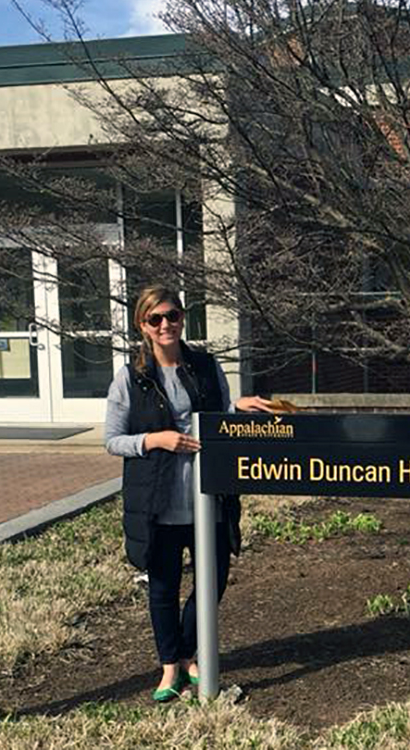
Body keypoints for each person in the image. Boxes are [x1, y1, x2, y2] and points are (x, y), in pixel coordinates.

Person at [105, 284, 275, 702]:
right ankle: (170, 669)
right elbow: (113, 440)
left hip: (209, 498)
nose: (166, 325)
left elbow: (218, 416)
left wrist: (240, 408)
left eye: (173, 316)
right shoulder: (131, 378)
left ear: (183, 319)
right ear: (142, 325)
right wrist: (154, 440)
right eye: (155, 319)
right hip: (158, 503)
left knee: (211, 582)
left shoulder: (204, 365)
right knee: (162, 587)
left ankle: (187, 655)